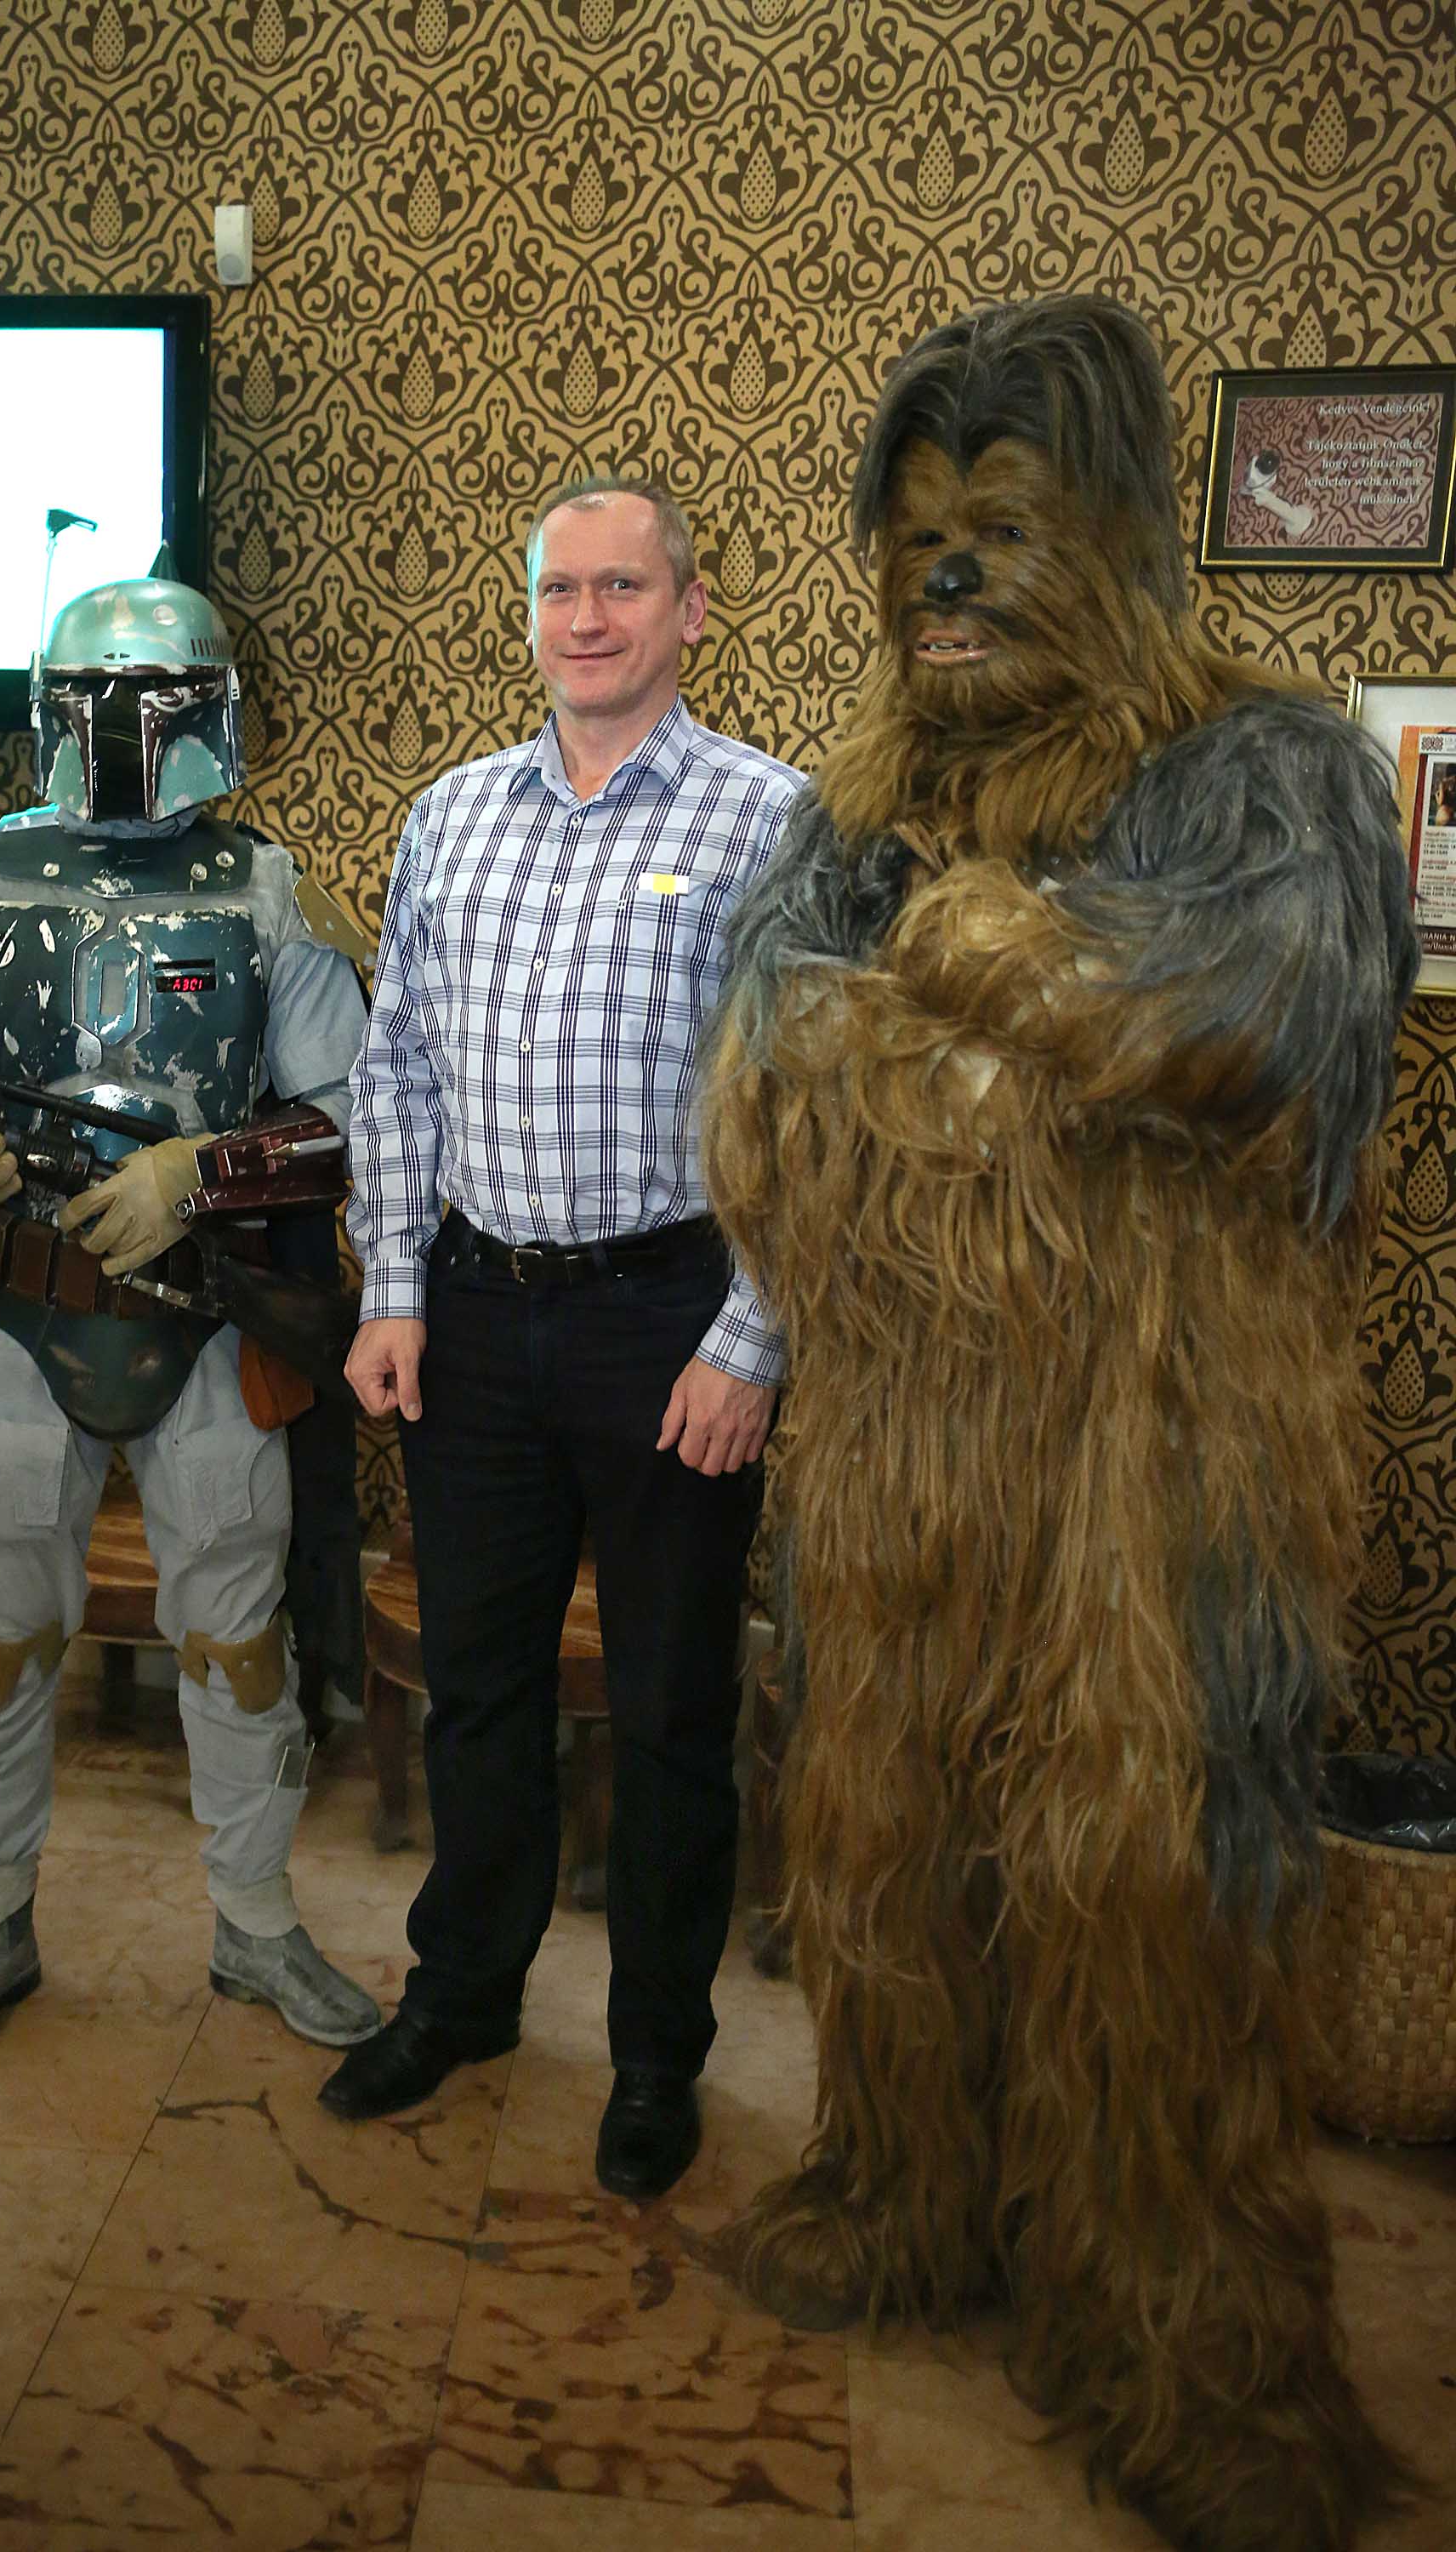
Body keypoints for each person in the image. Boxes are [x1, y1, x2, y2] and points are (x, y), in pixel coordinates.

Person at [702, 298, 1416, 2549]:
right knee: (882, 1854)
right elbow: (762, 1075)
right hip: (902, 1455)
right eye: (917, 535)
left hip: (1159, 1451)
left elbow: (1268, 1025)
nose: (945, 576)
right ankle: (905, 2193)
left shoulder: (1268, 771)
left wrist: (1019, 979)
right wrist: (1011, 1057)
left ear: (1112, 545)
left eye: (1000, 528)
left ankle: (1192, 2347)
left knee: (1151, 1890)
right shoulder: (848, 816)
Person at [0, 562, 381, 2069]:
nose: (128, 729)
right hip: (22, 1311)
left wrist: (203, 1170)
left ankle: (254, 1923)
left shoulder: (267, 890)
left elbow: (356, 1111)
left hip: (209, 1320)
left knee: (239, 1636)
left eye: (155, 701)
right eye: (100, 701)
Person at [326, 476, 804, 2198]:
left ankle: (657, 2060)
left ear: (690, 608)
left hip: (668, 1323)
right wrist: (393, 1289)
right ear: (528, 611)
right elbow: (396, 1070)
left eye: (622, 587)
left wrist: (751, 1341)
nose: (585, 618)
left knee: (671, 1709)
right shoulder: (452, 815)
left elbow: (810, 1104)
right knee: (479, 1693)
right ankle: (462, 1996)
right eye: (558, 589)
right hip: (472, 1317)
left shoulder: (771, 818)